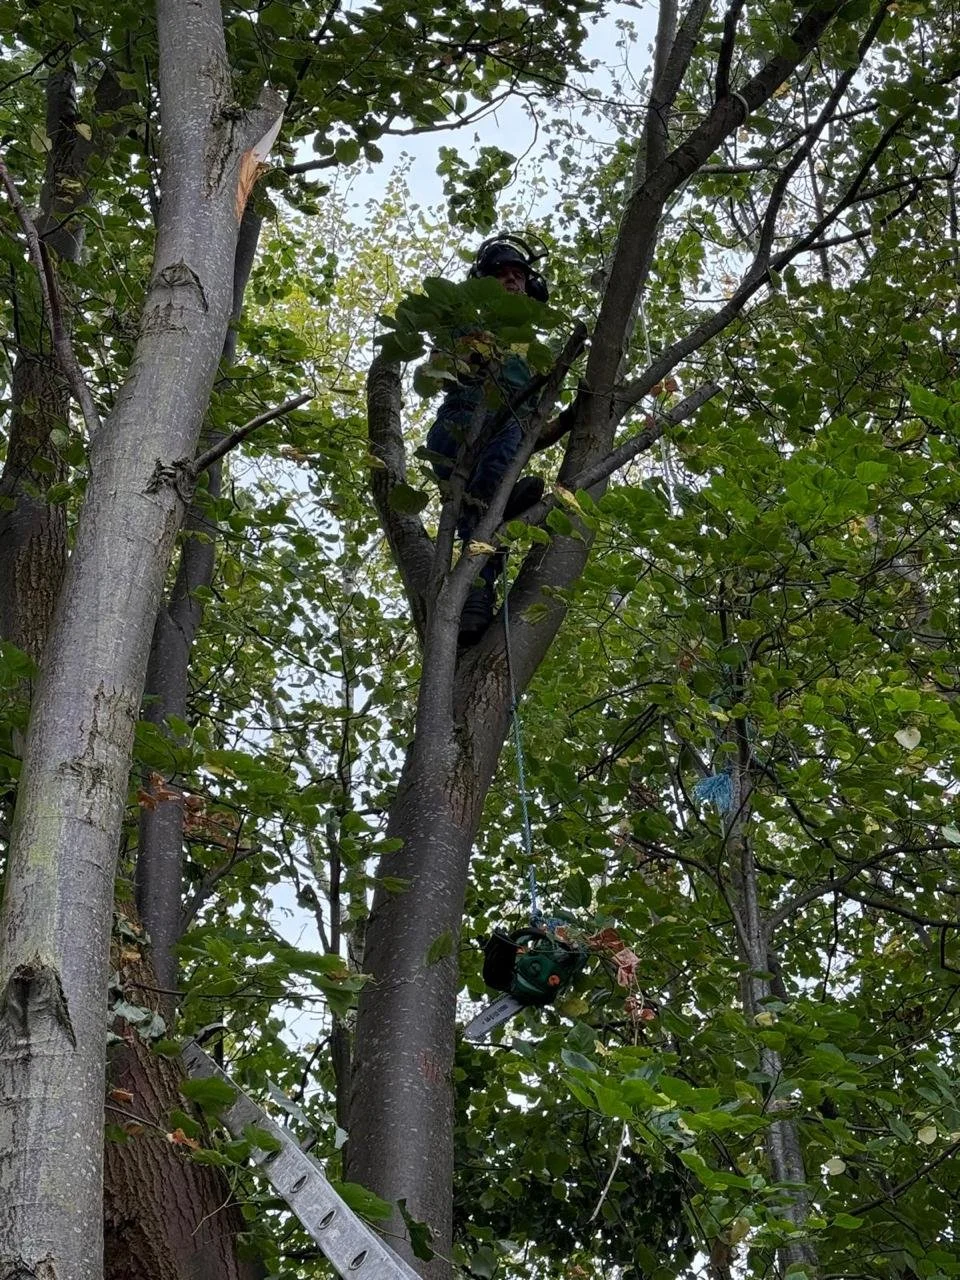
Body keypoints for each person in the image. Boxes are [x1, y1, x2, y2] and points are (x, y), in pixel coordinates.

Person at [425, 234, 571, 644]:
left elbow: (534, 432)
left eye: (519, 275)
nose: (512, 280)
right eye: (502, 274)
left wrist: (570, 418)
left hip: (508, 438)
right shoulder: (467, 324)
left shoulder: (531, 351)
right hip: (458, 426)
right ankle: (477, 587)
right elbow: (437, 372)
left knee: (488, 502)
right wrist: (475, 353)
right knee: (489, 493)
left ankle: (476, 597)